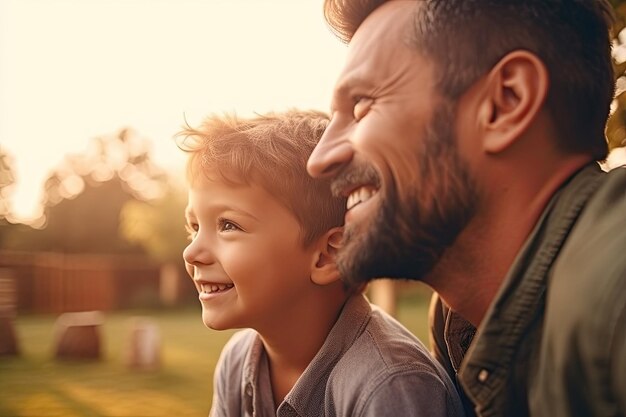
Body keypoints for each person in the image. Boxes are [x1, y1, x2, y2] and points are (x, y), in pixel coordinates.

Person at [306, 1, 626, 416]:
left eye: (363, 107)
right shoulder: (461, 321)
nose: (319, 159)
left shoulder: (614, 283)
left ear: (506, 101)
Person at [179, 109, 465, 417]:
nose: (192, 252)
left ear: (328, 256)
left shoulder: (392, 387)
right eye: (195, 227)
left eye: (228, 225)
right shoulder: (238, 362)